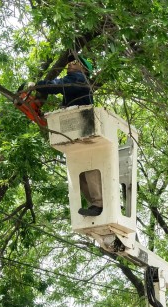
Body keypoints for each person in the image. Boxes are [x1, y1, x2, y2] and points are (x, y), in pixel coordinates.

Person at [29, 57, 103, 217]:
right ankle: (95, 205)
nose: (70, 63)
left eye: (75, 62)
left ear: (84, 69)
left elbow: (58, 85)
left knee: (89, 166)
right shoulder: (75, 86)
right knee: (80, 172)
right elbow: (66, 107)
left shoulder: (79, 79)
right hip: (77, 131)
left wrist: (38, 85)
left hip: (85, 129)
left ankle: (98, 204)